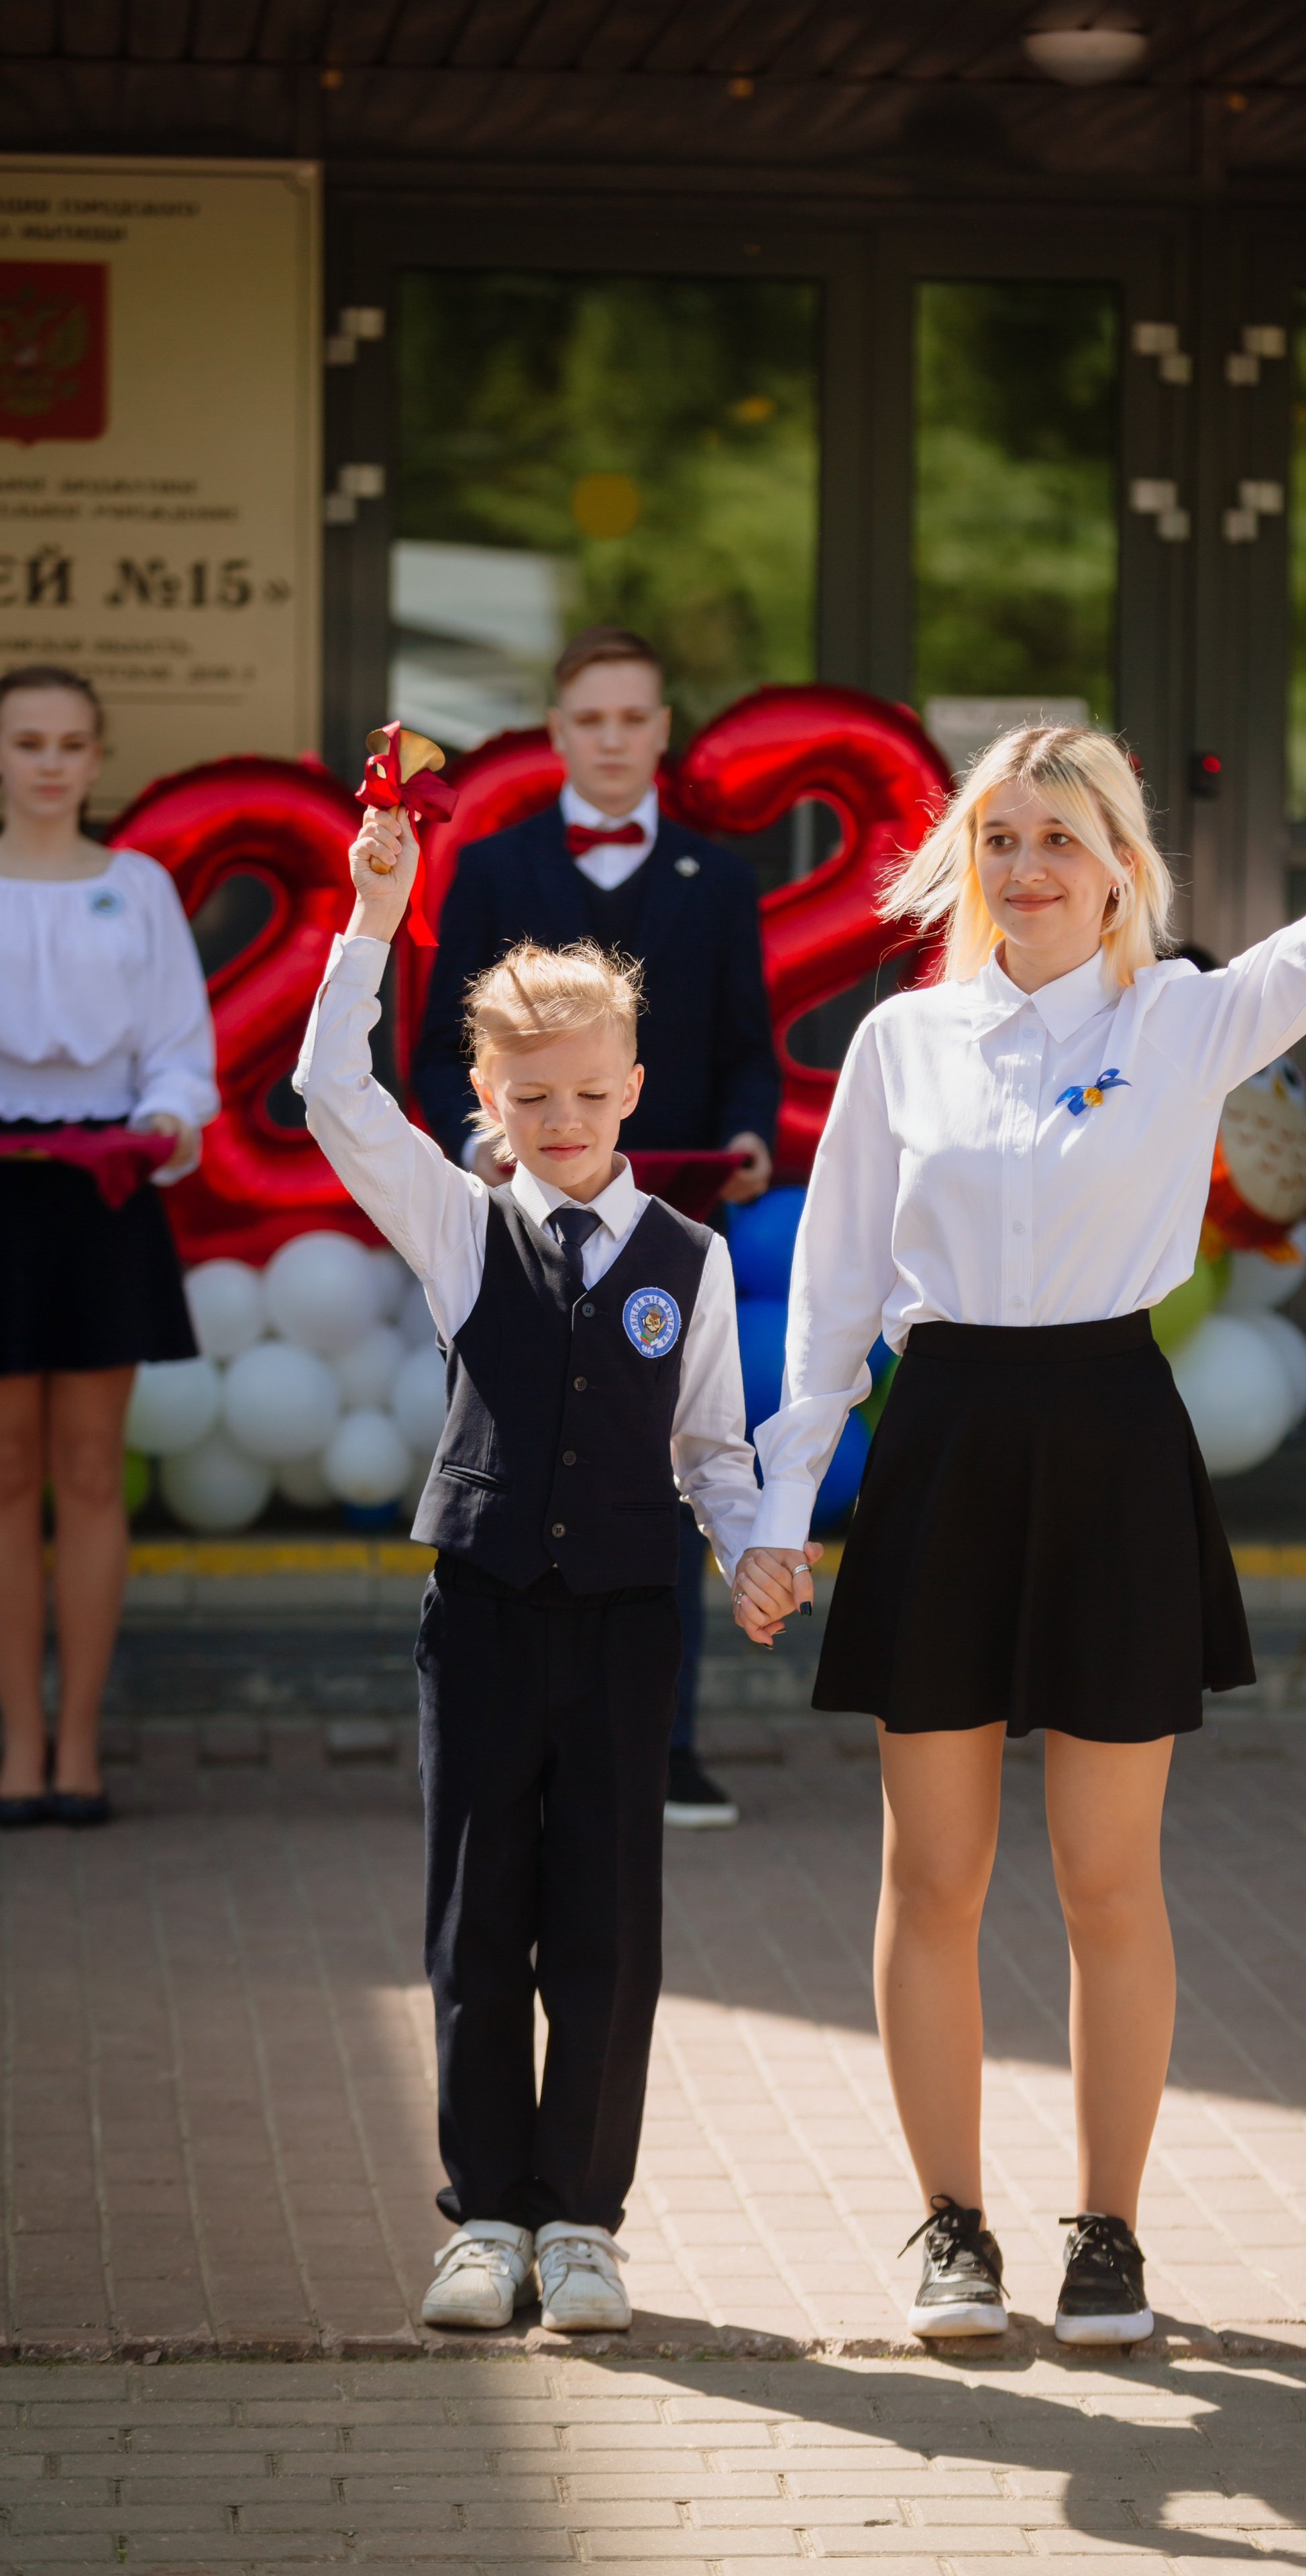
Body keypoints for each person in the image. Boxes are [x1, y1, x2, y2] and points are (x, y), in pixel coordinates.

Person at [730, 582, 1306, 2343]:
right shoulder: (904, 1042)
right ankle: (950, 2229)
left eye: (1063, 837)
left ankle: (1109, 2234)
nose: (1031, 865)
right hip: (949, 1443)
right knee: (933, 1877)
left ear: (1123, 864)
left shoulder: (1190, 1019)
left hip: (1118, 1444)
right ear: (969, 861)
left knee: (1109, 1880)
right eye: (1004, 837)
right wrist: (776, 1511)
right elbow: (831, 1301)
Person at [296, 798, 759, 2334]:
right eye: (528, 1094)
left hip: (627, 1627)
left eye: (586, 1091)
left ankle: (583, 2223)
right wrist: (373, 920)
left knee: (608, 1932)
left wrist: (751, 1555)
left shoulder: (687, 1262)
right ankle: (485, 2215)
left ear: (632, 1084)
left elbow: (712, 1451)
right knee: (477, 1919)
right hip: (483, 1615)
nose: (560, 1119)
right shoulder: (454, 1224)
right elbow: (328, 1089)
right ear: (486, 1096)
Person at [413, 625, 779, 1831]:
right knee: (517, 1472)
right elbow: (435, 1056)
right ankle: (502, 1740)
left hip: (656, 1226)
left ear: (661, 730)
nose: (614, 740)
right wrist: (483, 1153)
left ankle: (660, 1743)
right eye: (591, 720)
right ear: (556, 734)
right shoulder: (498, 865)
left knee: (659, 1470)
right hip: (524, 1223)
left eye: (635, 718)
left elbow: (744, 1047)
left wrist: (749, 1134)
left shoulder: (720, 880)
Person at [0, 665, 215, 1831]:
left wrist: (170, 1118)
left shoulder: (137, 889)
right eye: (26, 740)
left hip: (101, 1186)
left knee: (87, 1471)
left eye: (69, 742)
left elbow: (181, 1050)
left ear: (96, 758)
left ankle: (78, 1746)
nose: (47, 761)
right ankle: (15, 1747)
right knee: (2, 1477)